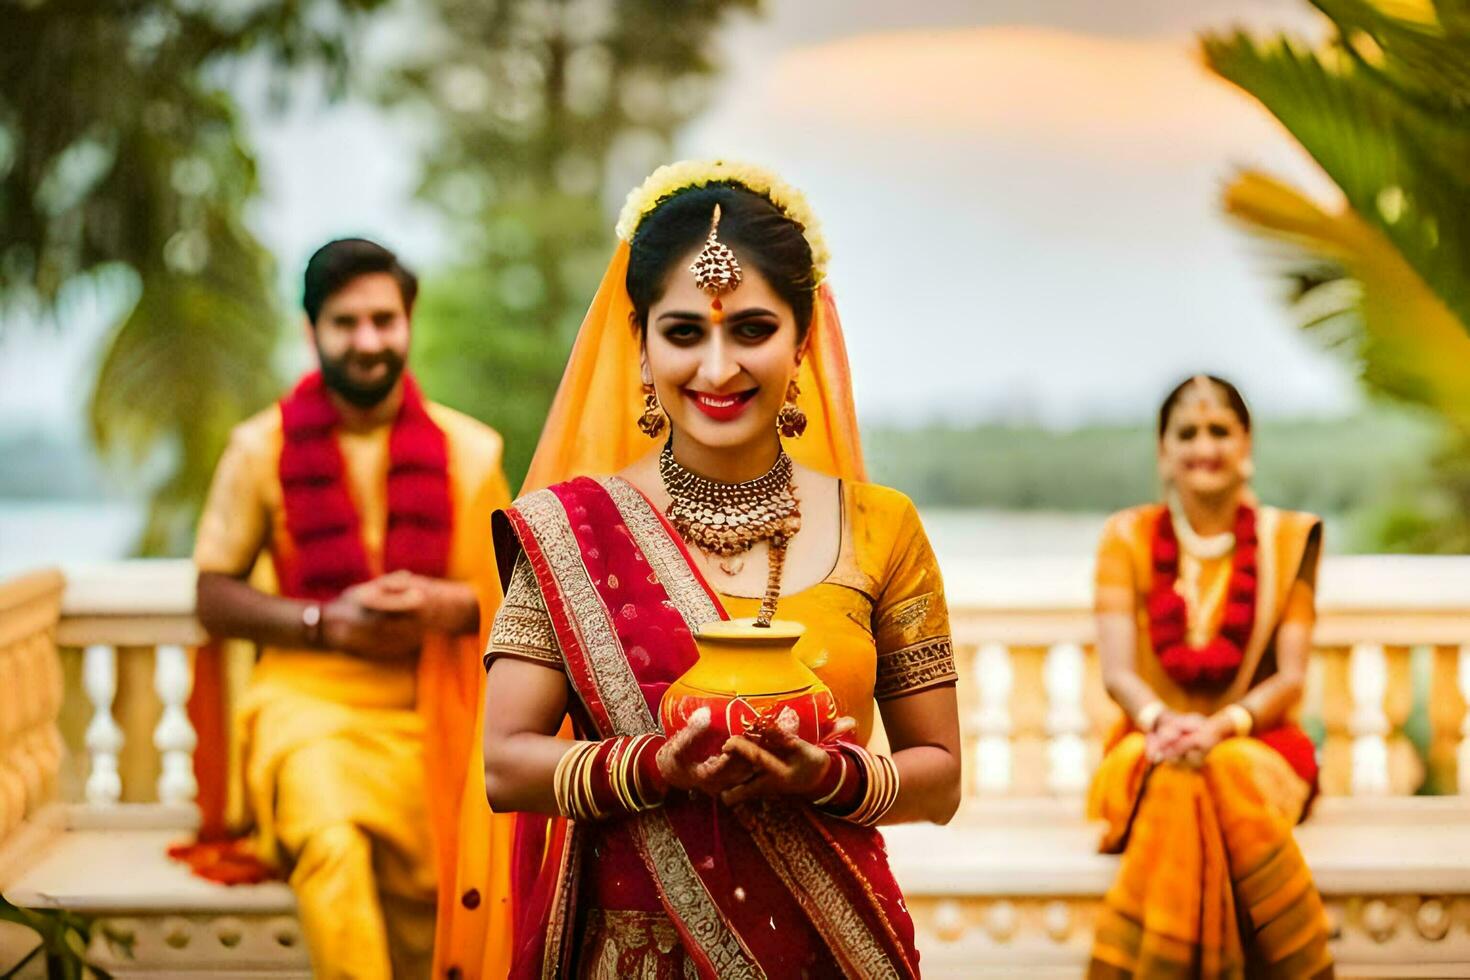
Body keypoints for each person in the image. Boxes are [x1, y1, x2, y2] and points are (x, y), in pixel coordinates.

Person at [466, 160, 963, 978]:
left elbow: (938, 780)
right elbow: (505, 763)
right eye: (686, 332)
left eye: (754, 330)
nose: (719, 368)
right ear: (642, 343)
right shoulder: (570, 527)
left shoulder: (882, 529)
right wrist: (654, 765)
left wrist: (827, 777)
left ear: (802, 342)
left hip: (827, 949)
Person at [192, 238, 516, 979]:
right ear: (313, 332)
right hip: (303, 707)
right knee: (333, 837)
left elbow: (504, 601)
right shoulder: (259, 448)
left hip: (430, 708)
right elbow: (212, 595)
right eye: (346, 323)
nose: (368, 342)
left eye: (384, 320)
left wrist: (440, 604)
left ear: (408, 323)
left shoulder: (470, 452)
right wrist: (323, 621)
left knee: (441, 875)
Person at [1087, 375, 1335, 979]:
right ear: (1163, 453)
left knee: (1215, 770)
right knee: (1180, 772)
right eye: (1188, 433)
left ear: (1245, 444)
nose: (1205, 446)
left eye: (1220, 431)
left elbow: (1291, 679)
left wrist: (1220, 727)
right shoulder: (1127, 537)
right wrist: (1165, 724)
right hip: (1147, 740)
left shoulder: (1287, 540)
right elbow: (1119, 673)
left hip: (1258, 746)